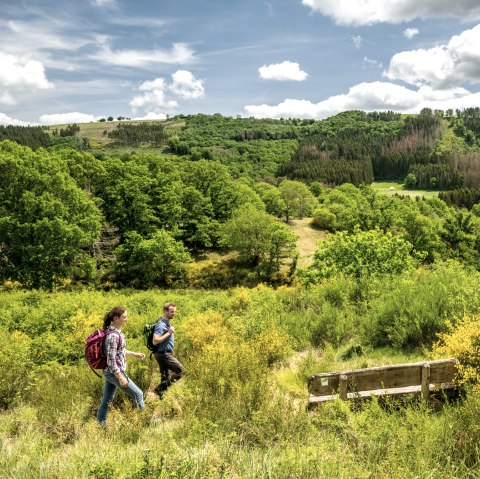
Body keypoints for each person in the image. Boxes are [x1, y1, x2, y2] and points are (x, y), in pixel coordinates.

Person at [97, 306, 145, 425]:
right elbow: (111, 359)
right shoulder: (113, 336)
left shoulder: (114, 333)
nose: (126, 319)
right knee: (138, 394)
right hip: (114, 372)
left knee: (106, 400)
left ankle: (101, 426)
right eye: (124, 317)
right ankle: (140, 424)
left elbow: (120, 351)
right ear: (116, 318)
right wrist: (120, 377)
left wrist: (135, 354)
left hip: (110, 372)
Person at [152, 302, 185, 397]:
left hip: (162, 354)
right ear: (165, 311)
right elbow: (155, 341)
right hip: (164, 354)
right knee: (181, 371)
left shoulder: (165, 322)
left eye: (174, 311)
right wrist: (169, 333)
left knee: (165, 377)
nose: (173, 313)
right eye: (171, 311)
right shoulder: (161, 325)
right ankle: (160, 389)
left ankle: (161, 398)